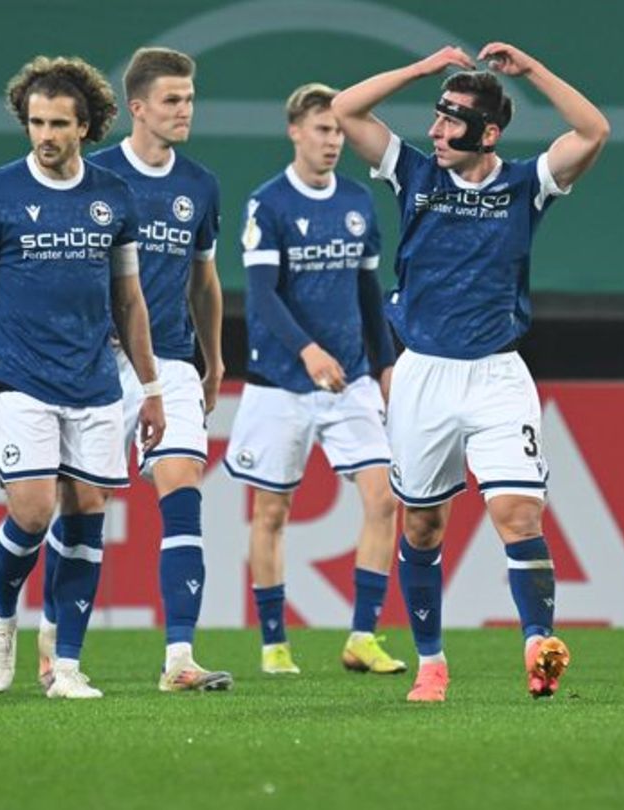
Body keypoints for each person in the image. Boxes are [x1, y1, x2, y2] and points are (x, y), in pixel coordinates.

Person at [331, 43, 610, 701]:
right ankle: (432, 662)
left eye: (452, 119)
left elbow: (593, 130)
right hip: (424, 374)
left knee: (518, 511)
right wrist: (422, 69)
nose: (435, 129)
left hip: (495, 377)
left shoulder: (525, 185)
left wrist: (535, 70)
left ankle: (538, 642)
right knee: (422, 527)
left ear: (488, 134)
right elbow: (345, 109)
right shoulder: (416, 174)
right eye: (436, 114)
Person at [0, 55, 165, 700]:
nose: (44, 134)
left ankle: (66, 663)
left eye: (58, 124)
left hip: (95, 380)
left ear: (86, 126)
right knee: (34, 509)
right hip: (20, 377)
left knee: (88, 510)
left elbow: (129, 301)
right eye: (35, 122)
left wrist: (151, 390)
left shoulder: (112, 196)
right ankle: (2, 618)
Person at [35, 47, 231, 693]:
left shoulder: (200, 184)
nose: (185, 111)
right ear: (139, 108)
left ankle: (180, 658)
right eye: (173, 100)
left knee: (182, 491)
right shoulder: (93, 180)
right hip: (95, 365)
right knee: (80, 507)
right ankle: (54, 632)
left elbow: (205, 281)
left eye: (191, 99)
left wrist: (214, 357)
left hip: (170, 361)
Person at [223, 83, 403, 677]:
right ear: (295, 131)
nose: (333, 140)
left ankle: (362, 637)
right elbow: (262, 296)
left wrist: (385, 363)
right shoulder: (268, 203)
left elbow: (367, 291)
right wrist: (306, 352)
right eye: (322, 129)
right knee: (272, 512)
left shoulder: (356, 201)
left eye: (338, 131)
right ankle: (274, 644)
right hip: (280, 381)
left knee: (383, 498)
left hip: (349, 379)